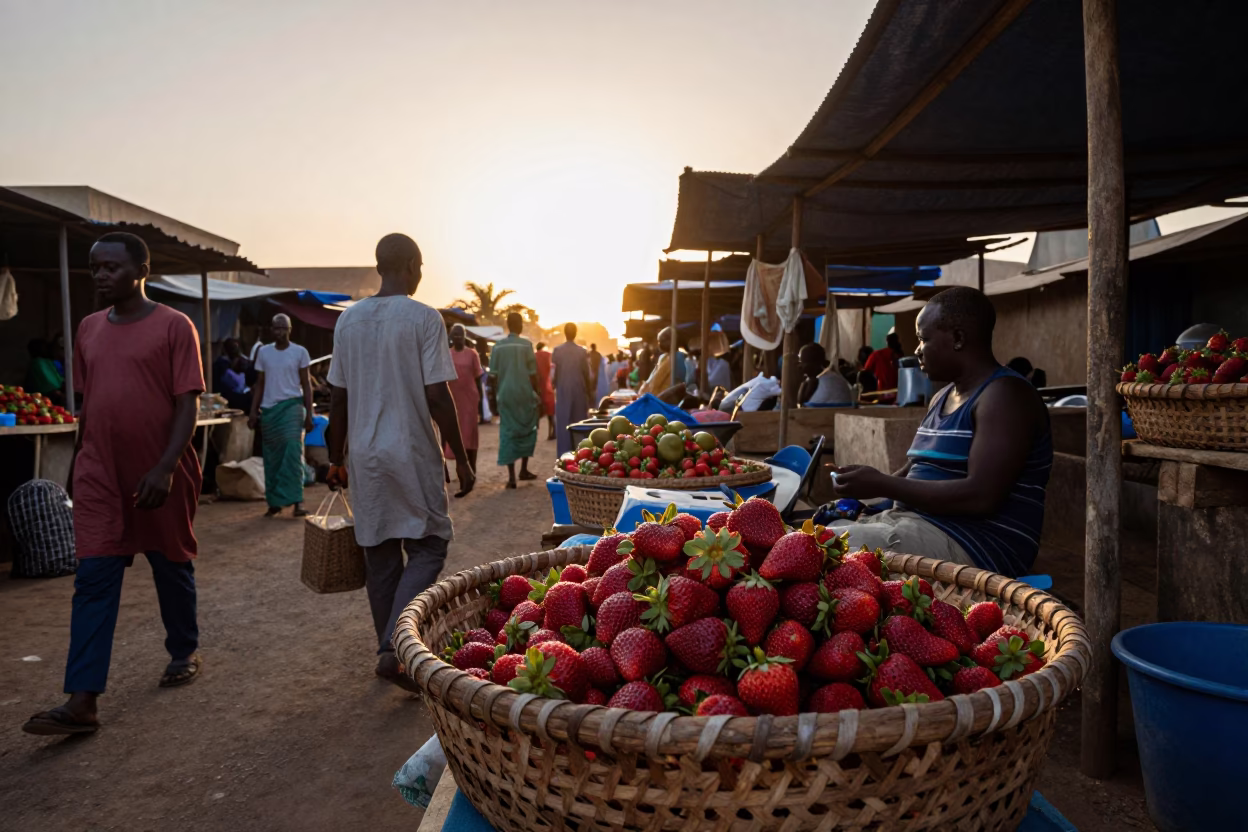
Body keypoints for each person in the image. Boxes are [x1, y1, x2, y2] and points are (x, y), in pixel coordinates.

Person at [22, 232, 204, 736]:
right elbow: (93, 401)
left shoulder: (174, 326)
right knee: (94, 579)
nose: (101, 275)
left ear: (140, 269)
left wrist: (166, 467)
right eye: (94, 267)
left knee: (170, 564)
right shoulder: (87, 329)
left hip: (160, 471)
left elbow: (187, 403)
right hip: (101, 472)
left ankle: (183, 649)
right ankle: (82, 700)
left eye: (111, 267)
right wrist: (83, 462)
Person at [327, 233, 473, 690]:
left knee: (382, 556)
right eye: (422, 265)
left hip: (366, 456)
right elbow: (437, 395)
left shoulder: (348, 321)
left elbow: (338, 398)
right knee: (430, 544)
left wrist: (336, 458)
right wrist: (462, 458)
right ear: (410, 265)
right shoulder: (425, 318)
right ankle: (396, 648)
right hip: (410, 450)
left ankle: (389, 651)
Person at [830, 286, 1053, 577]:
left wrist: (882, 484)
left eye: (923, 339)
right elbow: (915, 470)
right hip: (917, 524)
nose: (917, 350)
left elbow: (981, 497)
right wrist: (864, 494)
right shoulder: (941, 397)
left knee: (825, 553)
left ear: (958, 338)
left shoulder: (1004, 396)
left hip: (975, 544)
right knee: (819, 531)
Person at [249, 314, 314, 518]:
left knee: (292, 452)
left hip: (292, 407)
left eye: (283, 328)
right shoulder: (264, 353)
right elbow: (260, 383)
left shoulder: (300, 352)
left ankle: (297, 501)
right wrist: (253, 410)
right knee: (273, 457)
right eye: (276, 328)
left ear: (290, 329)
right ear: (271, 330)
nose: (279, 332)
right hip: (270, 411)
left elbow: (307, 384)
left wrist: (309, 413)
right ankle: (275, 502)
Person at [490, 312, 542, 487]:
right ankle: (524, 470)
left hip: (505, 395)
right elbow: (533, 375)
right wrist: (537, 393)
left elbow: (493, 377)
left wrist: (493, 400)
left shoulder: (498, 346)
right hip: (524, 393)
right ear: (519, 325)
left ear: (507, 325)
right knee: (528, 429)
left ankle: (511, 477)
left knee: (508, 432)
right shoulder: (526, 345)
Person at [444, 324, 482, 485]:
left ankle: (471, 469)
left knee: (470, 436)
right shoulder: (446, 354)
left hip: (469, 400)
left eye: (460, 334)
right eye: (455, 334)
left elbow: (478, 378)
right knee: (452, 434)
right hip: (452, 399)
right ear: (451, 336)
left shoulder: (472, 354)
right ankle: (458, 471)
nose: (458, 337)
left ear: (464, 335)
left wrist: (480, 403)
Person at [552, 323, 592, 456]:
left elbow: (554, 373)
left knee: (563, 421)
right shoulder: (581, 351)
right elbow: (586, 373)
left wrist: (554, 385)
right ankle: (580, 453)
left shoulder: (557, 351)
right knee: (579, 421)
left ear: (565, 333)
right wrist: (590, 392)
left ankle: (563, 455)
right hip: (579, 390)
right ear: (575, 333)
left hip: (563, 389)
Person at [212, 337, 253, 412]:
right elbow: (237, 384)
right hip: (224, 397)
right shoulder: (221, 364)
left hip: (232, 395)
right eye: (233, 348)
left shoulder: (236, 362)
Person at [25, 337, 65, 403]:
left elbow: (59, 380)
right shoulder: (37, 363)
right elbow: (48, 385)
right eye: (44, 347)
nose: (47, 349)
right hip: (43, 397)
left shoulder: (48, 361)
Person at [533, 342, 556, 440]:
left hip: (536, 387)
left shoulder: (533, 356)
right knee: (550, 413)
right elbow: (552, 370)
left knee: (534, 412)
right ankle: (553, 432)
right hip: (547, 387)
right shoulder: (548, 355)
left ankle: (533, 432)